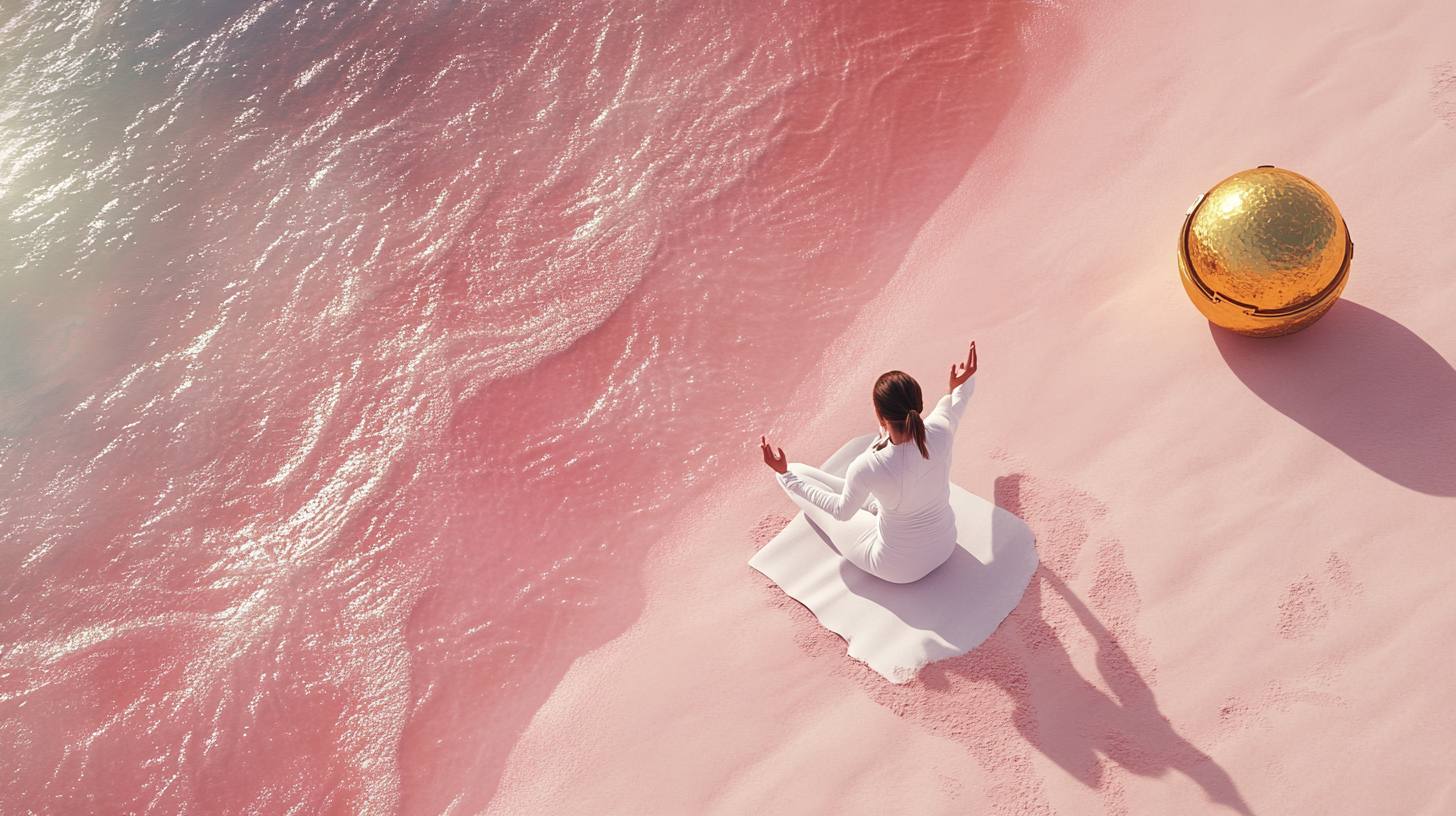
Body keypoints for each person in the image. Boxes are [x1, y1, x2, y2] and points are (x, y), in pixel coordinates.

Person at [760, 342, 977, 584]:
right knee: (876, 496)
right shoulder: (941, 431)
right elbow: (957, 402)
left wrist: (787, 476)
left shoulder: (868, 465)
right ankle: (874, 507)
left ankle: (787, 476)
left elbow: (842, 512)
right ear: (919, 404)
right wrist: (958, 385)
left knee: (794, 472)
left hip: (898, 568)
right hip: (945, 545)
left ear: (879, 414)